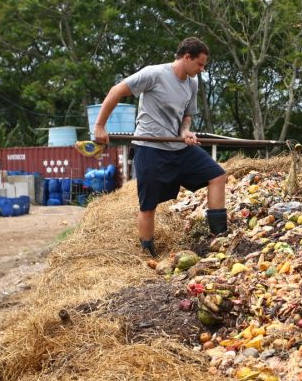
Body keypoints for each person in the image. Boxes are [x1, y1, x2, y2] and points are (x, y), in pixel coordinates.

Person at [93, 37, 227, 257]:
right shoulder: (154, 74)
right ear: (187, 57)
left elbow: (187, 115)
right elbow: (116, 90)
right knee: (149, 204)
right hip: (150, 148)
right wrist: (99, 126)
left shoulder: (192, 83)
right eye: (200, 64)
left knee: (217, 176)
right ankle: (148, 252)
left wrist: (185, 132)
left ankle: (219, 238)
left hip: (178, 147)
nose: (202, 69)